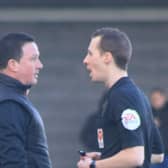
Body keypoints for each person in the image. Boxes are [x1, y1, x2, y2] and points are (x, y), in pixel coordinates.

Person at [77, 27, 164, 168]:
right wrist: (104, 158)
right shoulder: (137, 95)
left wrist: (94, 165)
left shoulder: (122, 96)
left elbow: (135, 156)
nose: (85, 60)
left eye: (90, 54)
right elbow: (156, 154)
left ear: (107, 57)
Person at [0, 32, 52, 167]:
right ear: (13, 64)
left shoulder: (12, 99)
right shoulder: (8, 104)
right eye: (33, 59)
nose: (40, 65)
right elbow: (12, 163)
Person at [150, 88, 168, 168]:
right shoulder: (149, 112)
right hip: (155, 154)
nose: (155, 101)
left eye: (157, 98)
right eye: (153, 99)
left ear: (164, 98)